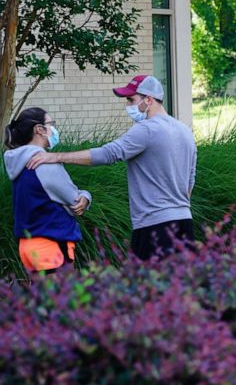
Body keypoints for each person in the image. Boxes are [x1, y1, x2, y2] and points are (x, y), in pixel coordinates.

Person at [26, 75, 196, 260]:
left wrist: (55, 156)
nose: (128, 105)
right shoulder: (185, 131)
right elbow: (190, 183)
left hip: (154, 227)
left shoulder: (146, 129)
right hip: (184, 223)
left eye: (131, 99)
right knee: (183, 285)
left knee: (151, 287)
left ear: (148, 99)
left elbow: (108, 154)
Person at [5, 107, 91, 274]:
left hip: (28, 246)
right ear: (39, 129)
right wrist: (86, 196)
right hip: (51, 245)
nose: (54, 129)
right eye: (51, 124)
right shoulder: (44, 163)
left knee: (44, 299)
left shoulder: (16, 162)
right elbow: (74, 203)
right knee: (62, 299)